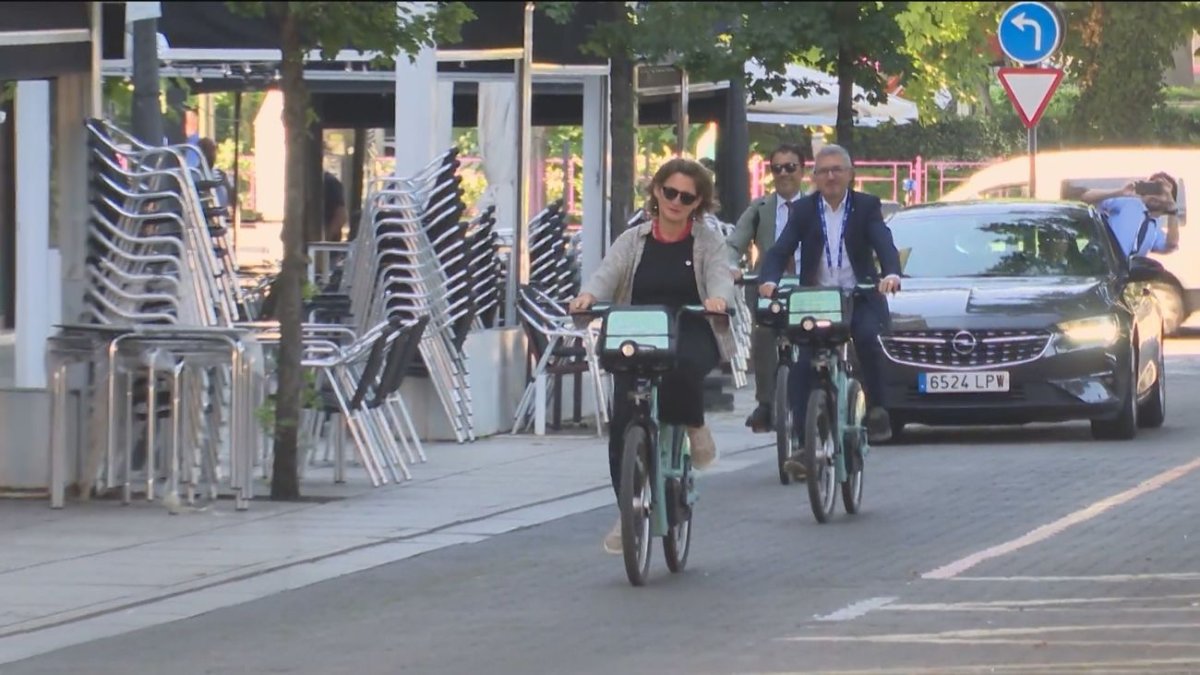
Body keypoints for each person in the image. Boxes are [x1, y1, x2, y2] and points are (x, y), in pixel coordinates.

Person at [569, 157, 737, 555]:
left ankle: (694, 427)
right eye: (669, 192)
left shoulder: (707, 242)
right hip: (638, 328)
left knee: (680, 367)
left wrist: (718, 299)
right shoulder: (633, 240)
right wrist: (589, 296)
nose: (676, 201)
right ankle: (627, 510)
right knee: (624, 420)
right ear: (656, 192)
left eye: (687, 196)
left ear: (699, 203)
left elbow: (719, 276)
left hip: (691, 325)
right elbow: (606, 273)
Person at [756, 144, 902, 477]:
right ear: (815, 177)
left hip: (859, 296)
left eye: (838, 170)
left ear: (850, 174)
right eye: (824, 171)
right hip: (818, 300)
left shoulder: (866, 206)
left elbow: (883, 242)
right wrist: (769, 279)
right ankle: (803, 443)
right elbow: (781, 249)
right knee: (802, 364)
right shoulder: (805, 210)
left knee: (866, 338)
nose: (831, 176)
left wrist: (890, 273)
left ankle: (878, 409)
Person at [726, 143, 809, 432]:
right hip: (769, 291)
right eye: (777, 168)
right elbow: (734, 243)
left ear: (803, 170)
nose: (784, 173)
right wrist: (730, 266)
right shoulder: (760, 209)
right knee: (763, 336)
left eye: (790, 167)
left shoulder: (817, 207)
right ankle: (765, 402)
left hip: (807, 289)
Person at [1079, 172, 1178, 257]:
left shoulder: (1156, 230)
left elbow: (1171, 245)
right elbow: (1086, 198)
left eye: (1162, 192)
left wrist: (1172, 209)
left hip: (1121, 275)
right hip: (1095, 263)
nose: (1155, 195)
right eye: (1153, 189)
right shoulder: (1128, 203)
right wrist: (1120, 192)